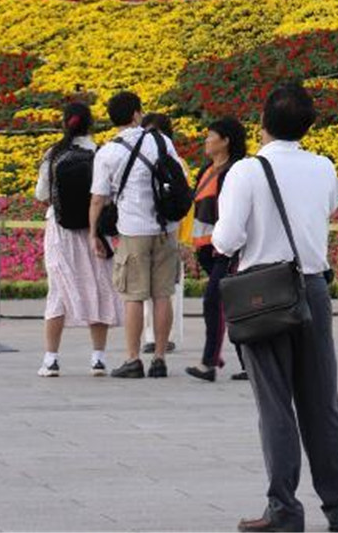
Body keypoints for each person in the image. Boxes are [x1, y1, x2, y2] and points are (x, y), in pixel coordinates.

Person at [212, 82, 338, 533]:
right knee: (322, 402)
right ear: (309, 125)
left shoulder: (246, 171)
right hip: (313, 287)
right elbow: (328, 208)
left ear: (262, 123)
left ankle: (284, 508)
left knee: (275, 403)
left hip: (264, 292)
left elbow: (226, 239)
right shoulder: (324, 167)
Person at [88, 90, 184, 379]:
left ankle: (132, 359)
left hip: (132, 229)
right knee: (163, 294)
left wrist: (94, 234)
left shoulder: (108, 152)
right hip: (166, 228)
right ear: (136, 114)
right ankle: (159, 359)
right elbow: (178, 176)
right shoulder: (160, 140)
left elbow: (98, 199)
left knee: (134, 296)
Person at [34, 101, 122, 376]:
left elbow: (41, 194)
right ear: (90, 124)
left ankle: (51, 359)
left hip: (60, 231)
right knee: (98, 288)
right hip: (93, 232)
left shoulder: (54, 154)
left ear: (64, 123)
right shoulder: (100, 153)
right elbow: (108, 193)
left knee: (58, 291)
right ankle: (98, 358)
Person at [185, 115, 248, 382]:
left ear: (225, 141)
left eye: (211, 136)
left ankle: (209, 362)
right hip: (206, 250)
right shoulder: (206, 170)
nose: (206, 140)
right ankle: (249, 363)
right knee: (233, 307)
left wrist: (225, 246)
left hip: (224, 250)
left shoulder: (235, 171)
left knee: (215, 301)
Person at [140, 112, 185, 355]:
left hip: (169, 232)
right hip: (146, 229)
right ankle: (150, 336)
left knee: (168, 290)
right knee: (146, 290)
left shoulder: (176, 164)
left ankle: (166, 337)